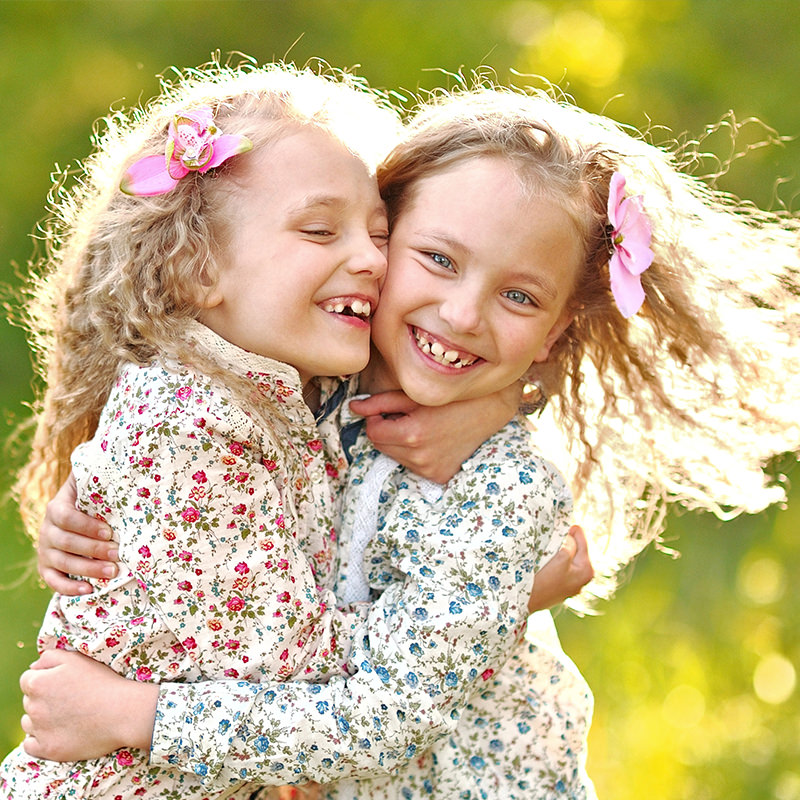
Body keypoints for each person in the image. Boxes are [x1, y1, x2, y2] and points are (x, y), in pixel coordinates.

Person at [22, 82, 800, 797]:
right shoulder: (306, 387)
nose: (462, 314)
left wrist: (135, 715)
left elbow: (384, 710)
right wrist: (96, 493)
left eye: (519, 295)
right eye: (436, 258)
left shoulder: (501, 485)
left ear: (555, 328)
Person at [0, 59, 405, 800]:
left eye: (381, 235)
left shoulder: (284, 394)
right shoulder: (191, 425)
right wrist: (468, 597)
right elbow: (293, 672)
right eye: (321, 230)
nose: (371, 259)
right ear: (194, 268)